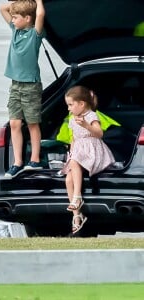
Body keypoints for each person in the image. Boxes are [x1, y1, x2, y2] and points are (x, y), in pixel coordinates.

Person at [0, 0, 45, 178]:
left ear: (27, 18)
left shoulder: (35, 34)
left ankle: (35, 160)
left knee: (32, 122)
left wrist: (38, 1)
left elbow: (40, 14)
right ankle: (17, 162)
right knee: (14, 123)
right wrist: (18, 3)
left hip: (30, 85)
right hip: (15, 84)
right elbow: (2, 8)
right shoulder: (15, 31)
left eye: (16, 17)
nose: (12, 20)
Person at [63, 86, 115, 234]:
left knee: (74, 161)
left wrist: (85, 125)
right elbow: (73, 139)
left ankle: (78, 197)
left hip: (93, 151)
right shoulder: (72, 120)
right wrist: (71, 153)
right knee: (68, 180)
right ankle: (77, 216)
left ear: (82, 104)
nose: (69, 109)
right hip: (79, 153)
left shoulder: (92, 116)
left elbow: (99, 134)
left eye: (71, 105)